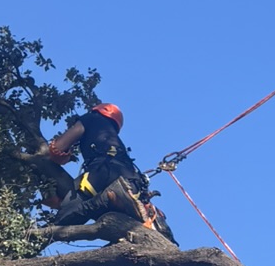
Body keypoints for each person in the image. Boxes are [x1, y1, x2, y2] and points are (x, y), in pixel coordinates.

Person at [33, 102, 176, 240]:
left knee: (68, 211)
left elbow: (58, 147)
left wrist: (58, 154)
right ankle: (153, 222)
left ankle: (39, 237)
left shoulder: (92, 118)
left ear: (98, 111)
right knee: (105, 217)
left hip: (102, 171)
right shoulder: (114, 141)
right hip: (131, 181)